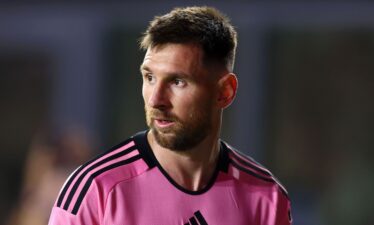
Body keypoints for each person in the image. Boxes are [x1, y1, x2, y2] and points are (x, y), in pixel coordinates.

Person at [48, 6, 292, 225]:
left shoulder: (266, 197)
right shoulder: (95, 190)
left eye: (177, 81)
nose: (156, 100)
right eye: (150, 78)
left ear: (224, 92)